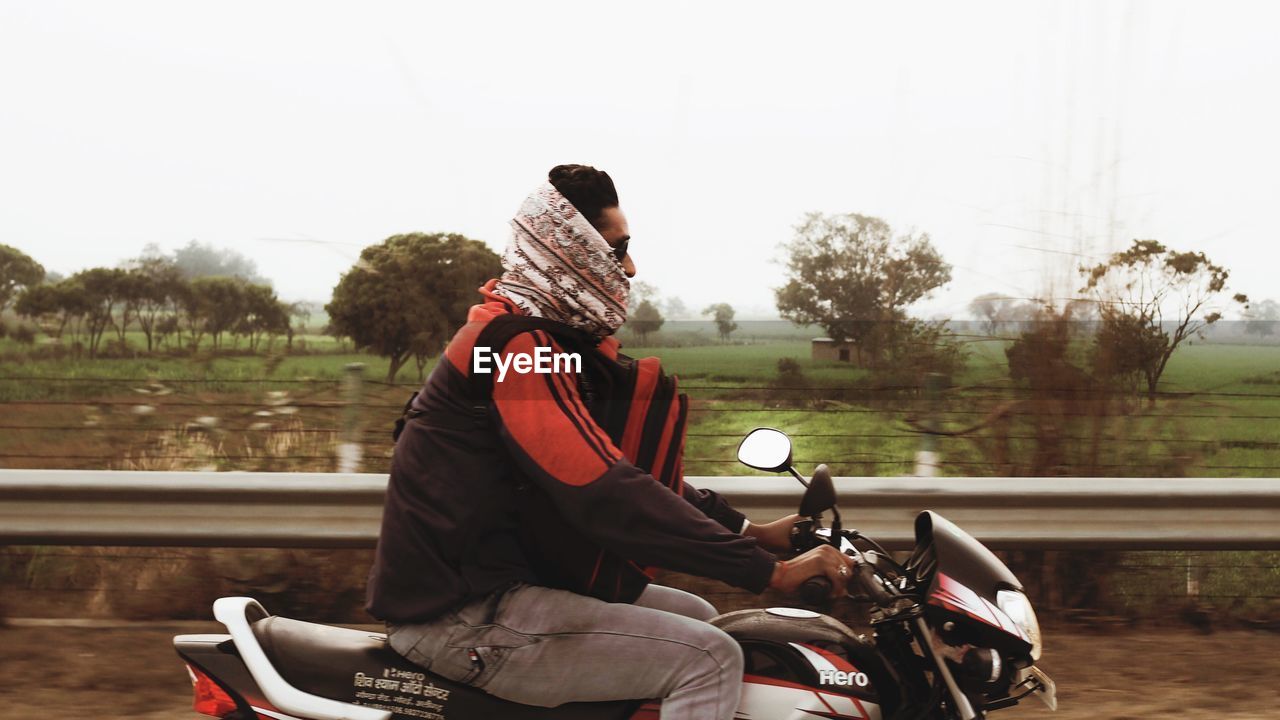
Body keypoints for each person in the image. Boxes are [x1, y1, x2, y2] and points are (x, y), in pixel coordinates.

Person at [366, 164, 853, 720]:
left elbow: (614, 469)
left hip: (499, 587)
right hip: (461, 615)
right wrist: (770, 572)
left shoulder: (535, 341)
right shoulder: (520, 350)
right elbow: (601, 487)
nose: (630, 268)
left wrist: (751, 532)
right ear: (571, 256)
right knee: (711, 657)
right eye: (617, 251)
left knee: (698, 614)